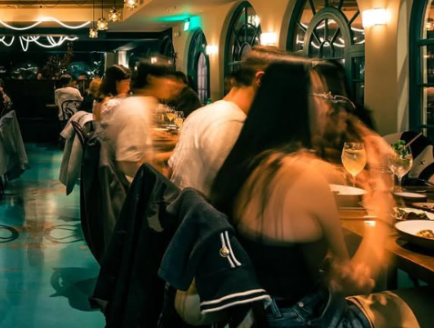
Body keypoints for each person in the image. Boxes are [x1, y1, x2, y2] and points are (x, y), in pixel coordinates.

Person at [208, 60, 426, 327]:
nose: (329, 106)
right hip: (300, 319)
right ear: (297, 103)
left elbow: (319, 266)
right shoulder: (304, 174)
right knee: (425, 303)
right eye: (323, 96)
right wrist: (381, 199)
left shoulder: (252, 162)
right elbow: (356, 281)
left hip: (258, 312)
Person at [168, 46, 283, 195]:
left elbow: (170, 172)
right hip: (203, 216)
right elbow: (245, 195)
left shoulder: (201, 114)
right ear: (260, 79)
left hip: (182, 211)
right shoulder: (230, 122)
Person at [104, 60, 175, 179]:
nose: (172, 84)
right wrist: (164, 175)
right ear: (151, 79)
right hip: (135, 189)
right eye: (167, 78)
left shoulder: (140, 104)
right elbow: (129, 164)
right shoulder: (135, 111)